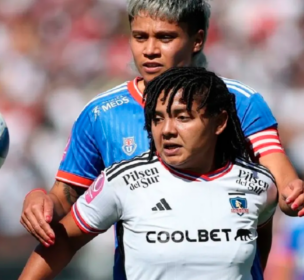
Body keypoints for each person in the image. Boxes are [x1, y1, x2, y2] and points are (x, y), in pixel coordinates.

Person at [21, 0, 304, 277]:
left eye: (165, 37)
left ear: (197, 40)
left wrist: (292, 195)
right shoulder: (101, 114)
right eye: (140, 37)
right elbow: (65, 200)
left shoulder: (239, 103)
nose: (150, 50)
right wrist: (40, 200)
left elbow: (278, 183)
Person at [19, 67, 278, 280]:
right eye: (157, 119)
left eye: (182, 117)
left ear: (219, 122)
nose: (166, 130)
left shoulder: (259, 185)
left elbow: (256, 249)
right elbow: (62, 242)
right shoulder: (122, 180)